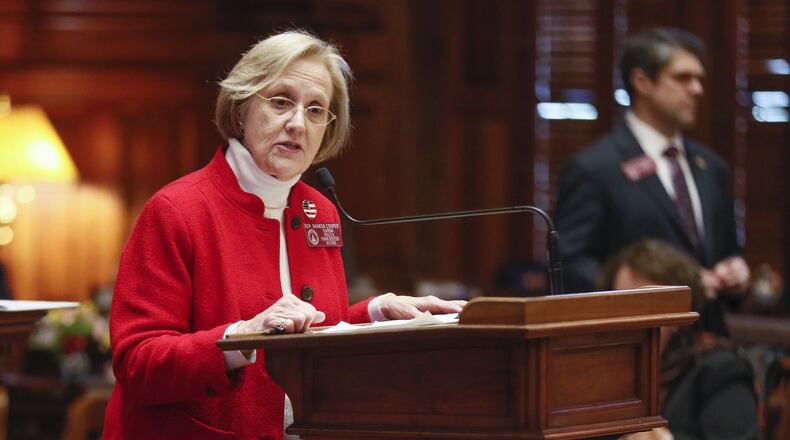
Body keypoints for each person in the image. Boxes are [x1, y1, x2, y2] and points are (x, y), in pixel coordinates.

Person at [102, 30, 465, 440]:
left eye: (315, 110)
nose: (297, 123)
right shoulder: (176, 210)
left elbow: (304, 333)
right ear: (241, 109)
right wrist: (239, 338)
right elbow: (137, 362)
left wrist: (378, 313)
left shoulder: (319, 210)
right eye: (280, 101)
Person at [554, 28, 750, 302]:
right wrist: (639, 288)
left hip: (709, 326)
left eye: (699, 79)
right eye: (683, 78)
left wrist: (735, 270)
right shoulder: (595, 168)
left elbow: (725, 251)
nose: (697, 90)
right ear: (642, 82)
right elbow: (569, 265)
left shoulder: (712, 167)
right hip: (638, 326)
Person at [599, 239, 759, 440]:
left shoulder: (719, 369)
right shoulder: (607, 379)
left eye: (643, 308)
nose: (629, 322)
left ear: (678, 315)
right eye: (619, 307)